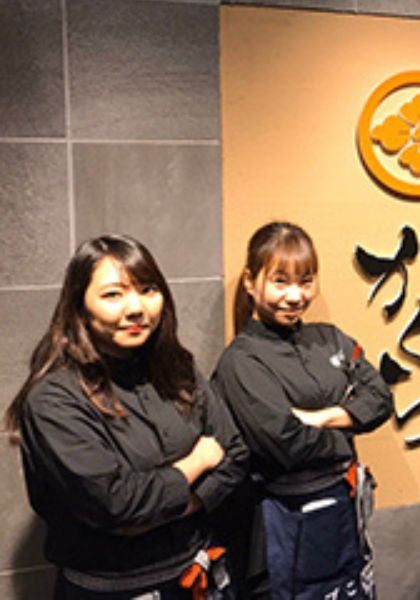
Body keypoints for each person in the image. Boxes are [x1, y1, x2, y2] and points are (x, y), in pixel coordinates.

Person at [4, 235, 247, 599]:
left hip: (197, 574)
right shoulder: (54, 399)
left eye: (147, 290)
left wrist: (181, 505)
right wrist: (195, 463)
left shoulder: (178, 369)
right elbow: (117, 504)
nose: (136, 308)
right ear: (79, 306)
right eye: (113, 294)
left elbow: (235, 453)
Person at [211, 221, 393, 600]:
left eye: (306, 281)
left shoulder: (329, 338)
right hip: (281, 520)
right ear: (250, 281)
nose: (295, 296)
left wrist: (323, 418)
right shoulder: (240, 361)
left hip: (343, 507)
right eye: (280, 281)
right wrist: (348, 426)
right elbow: (286, 444)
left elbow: (380, 399)